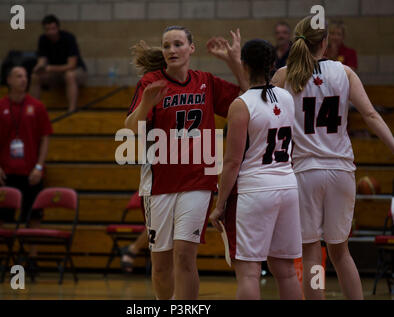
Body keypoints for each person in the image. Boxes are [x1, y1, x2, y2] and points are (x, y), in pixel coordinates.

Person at [271, 15, 394, 300]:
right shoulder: (344, 72)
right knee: (341, 253)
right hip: (340, 171)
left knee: (312, 252)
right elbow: (372, 116)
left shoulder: (283, 76)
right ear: (325, 43)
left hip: (304, 173)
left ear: (296, 42)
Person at [124, 26, 247, 300]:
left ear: (191, 48)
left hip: (197, 180)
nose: (171, 50)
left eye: (178, 44)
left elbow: (247, 97)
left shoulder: (206, 81)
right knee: (160, 265)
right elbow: (130, 127)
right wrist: (145, 105)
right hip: (158, 183)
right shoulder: (150, 82)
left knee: (184, 257)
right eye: (166, 46)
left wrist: (232, 61)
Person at [209, 39, 303, 300]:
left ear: (244, 65)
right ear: (273, 65)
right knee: (285, 271)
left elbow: (231, 162)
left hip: (254, 191)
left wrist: (220, 204)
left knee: (249, 273)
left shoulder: (241, 105)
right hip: (287, 185)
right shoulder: (286, 97)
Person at [0, 65, 53, 274]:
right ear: (9, 80)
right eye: (19, 76)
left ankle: (32, 259)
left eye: (26, 76)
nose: (23, 79)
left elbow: (45, 138)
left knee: (34, 217)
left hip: (31, 173)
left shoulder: (37, 107)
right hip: (5, 172)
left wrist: (39, 166)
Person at [30, 14, 87, 112]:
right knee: (35, 76)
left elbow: (71, 65)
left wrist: (50, 68)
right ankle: (33, 110)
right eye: (47, 29)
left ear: (58, 28)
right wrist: (39, 67)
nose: (51, 32)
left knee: (69, 75)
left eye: (53, 29)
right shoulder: (43, 39)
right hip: (56, 73)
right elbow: (42, 60)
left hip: (75, 71)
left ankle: (72, 110)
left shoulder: (68, 38)